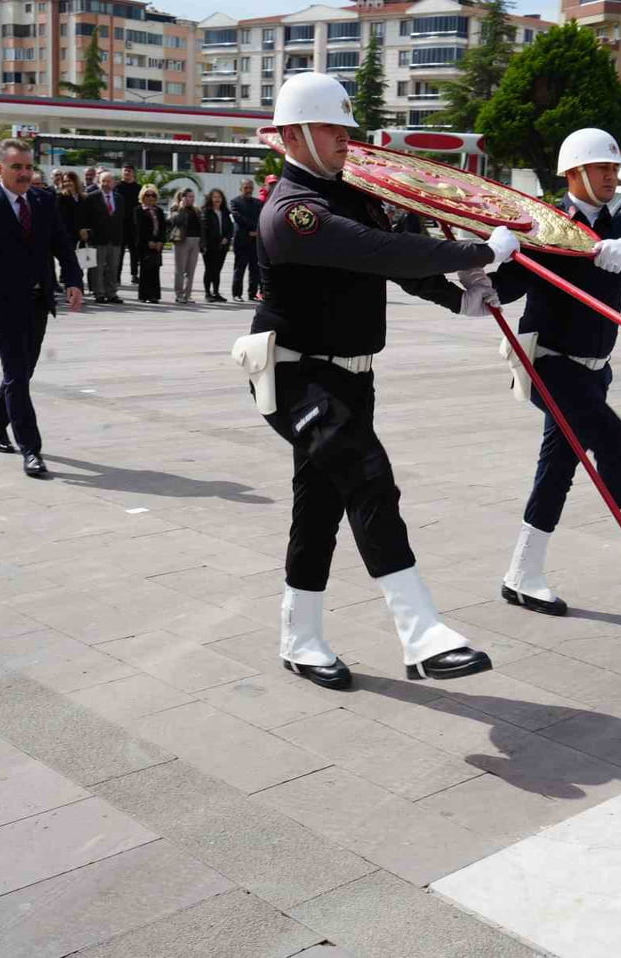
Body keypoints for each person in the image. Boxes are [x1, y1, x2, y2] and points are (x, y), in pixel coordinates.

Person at [235, 72, 517, 689]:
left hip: (352, 379)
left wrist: (460, 298)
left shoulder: (350, 195)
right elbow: (378, 252)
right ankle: (422, 634)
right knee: (368, 480)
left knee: (320, 507)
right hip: (297, 378)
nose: (345, 139)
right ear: (294, 133)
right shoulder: (293, 212)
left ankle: (300, 638)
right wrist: (477, 254)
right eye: (333, 128)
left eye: (345, 128)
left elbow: (400, 262)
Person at [488, 128, 621, 616]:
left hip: (596, 368)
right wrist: (496, 253)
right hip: (548, 363)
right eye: (602, 168)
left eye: (615, 169)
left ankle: (522, 574)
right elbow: (505, 289)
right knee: (614, 441)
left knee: (558, 466)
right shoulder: (543, 223)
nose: (611, 177)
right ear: (573, 172)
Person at [0, 138, 84, 478]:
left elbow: (62, 245)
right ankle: (32, 449)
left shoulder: (44, 200)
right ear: (0, 170)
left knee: (23, 372)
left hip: (38, 299)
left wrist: (73, 280)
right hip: (0, 302)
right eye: (16, 167)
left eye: (28, 167)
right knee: (16, 374)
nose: (25, 174)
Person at [83, 171, 125, 304]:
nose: (106, 184)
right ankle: (99, 293)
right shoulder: (91, 197)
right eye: (103, 181)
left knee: (113, 267)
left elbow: (121, 219)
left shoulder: (119, 198)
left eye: (109, 181)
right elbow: (86, 218)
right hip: (98, 238)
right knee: (98, 268)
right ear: (98, 182)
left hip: (115, 239)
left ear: (114, 183)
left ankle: (111, 293)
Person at [167, 187, 202, 304]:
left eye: (193, 197)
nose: (192, 199)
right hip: (182, 240)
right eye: (189, 196)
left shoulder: (196, 209)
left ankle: (188, 295)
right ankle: (179, 294)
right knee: (180, 269)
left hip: (195, 240)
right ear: (182, 197)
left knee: (191, 270)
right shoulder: (176, 208)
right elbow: (176, 221)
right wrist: (181, 208)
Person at [230, 178, 262, 302]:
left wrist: (257, 231)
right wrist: (252, 229)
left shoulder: (258, 203)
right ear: (241, 188)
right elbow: (238, 218)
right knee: (240, 268)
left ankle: (252, 294)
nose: (248, 190)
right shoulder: (235, 202)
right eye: (246, 187)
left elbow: (261, 217)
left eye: (250, 187)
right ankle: (236, 294)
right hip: (242, 241)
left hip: (255, 241)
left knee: (255, 269)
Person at [134, 185, 165, 304]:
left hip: (157, 245)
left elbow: (163, 228)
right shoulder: (138, 210)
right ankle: (144, 295)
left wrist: (161, 241)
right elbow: (138, 229)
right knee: (145, 270)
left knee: (155, 270)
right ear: (143, 196)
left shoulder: (159, 211)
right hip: (144, 244)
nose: (150, 197)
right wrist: (148, 242)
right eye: (147, 195)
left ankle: (154, 295)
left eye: (153, 195)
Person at [202, 187, 233, 303]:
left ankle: (216, 292)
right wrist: (205, 244)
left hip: (222, 246)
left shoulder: (225, 211)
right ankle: (207, 293)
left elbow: (230, 228)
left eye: (219, 197)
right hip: (210, 246)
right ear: (210, 198)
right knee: (209, 269)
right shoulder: (206, 211)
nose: (217, 199)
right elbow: (205, 229)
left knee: (217, 270)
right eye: (215, 197)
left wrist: (227, 238)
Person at [115, 165, 142, 285]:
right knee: (119, 252)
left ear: (133, 173)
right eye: (125, 170)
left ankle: (134, 274)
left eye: (129, 171)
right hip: (120, 223)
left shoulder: (139, 188)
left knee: (135, 251)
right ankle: (117, 275)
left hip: (134, 224)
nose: (127, 173)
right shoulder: (117, 187)